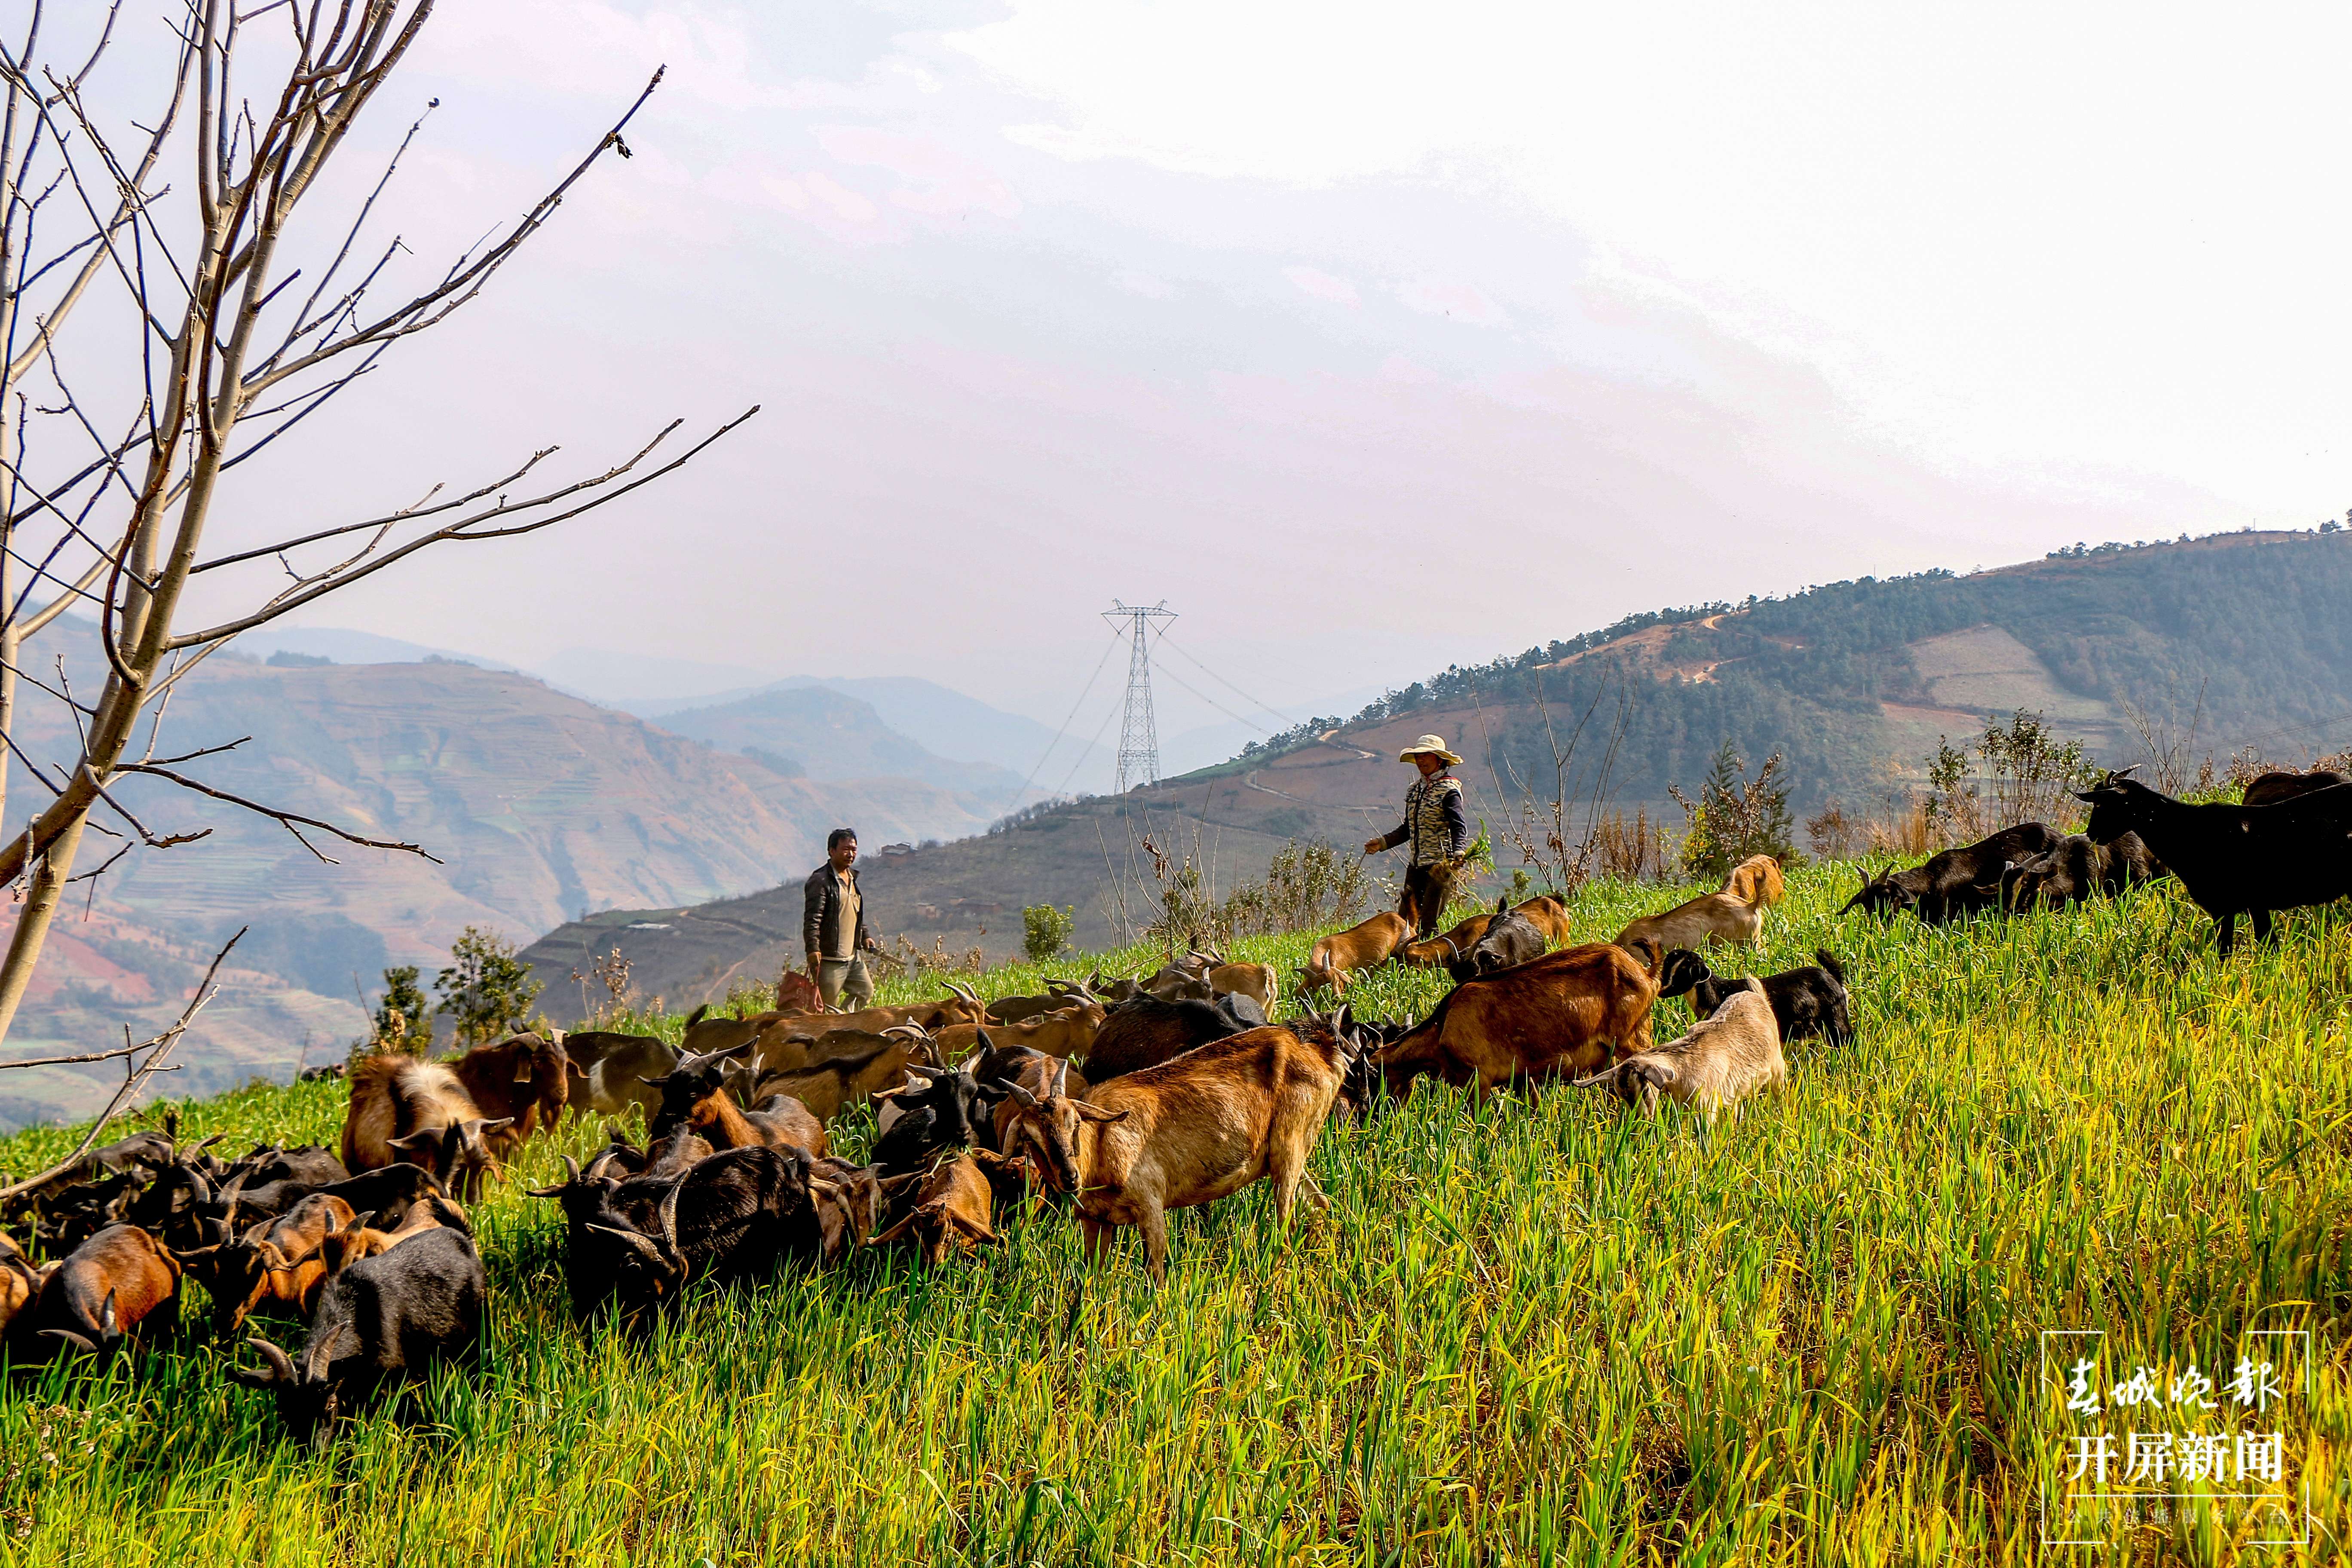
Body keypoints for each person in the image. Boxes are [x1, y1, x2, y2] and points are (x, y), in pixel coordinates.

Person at [1363, 735, 1470, 939]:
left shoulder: (1449, 791)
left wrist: (1459, 851)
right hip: (1416, 866)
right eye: (1418, 756)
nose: (1421, 760)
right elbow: (1408, 829)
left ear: (1439, 759)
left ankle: (1431, 956)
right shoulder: (1415, 790)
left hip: (1439, 866)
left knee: (1428, 922)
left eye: (1426, 756)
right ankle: (1406, 956)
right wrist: (1382, 843)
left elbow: (1458, 825)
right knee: (1405, 921)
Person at [803, 828, 881, 1009]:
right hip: (831, 960)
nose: (851, 854)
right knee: (828, 1008)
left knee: (865, 992)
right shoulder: (821, 881)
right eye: (846, 849)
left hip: (852, 957)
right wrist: (813, 948)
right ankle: (833, 1025)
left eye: (854, 850)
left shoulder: (851, 878)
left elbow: (854, 912)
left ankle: (844, 1021)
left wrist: (865, 936)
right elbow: (812, 919)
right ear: (832, 851)